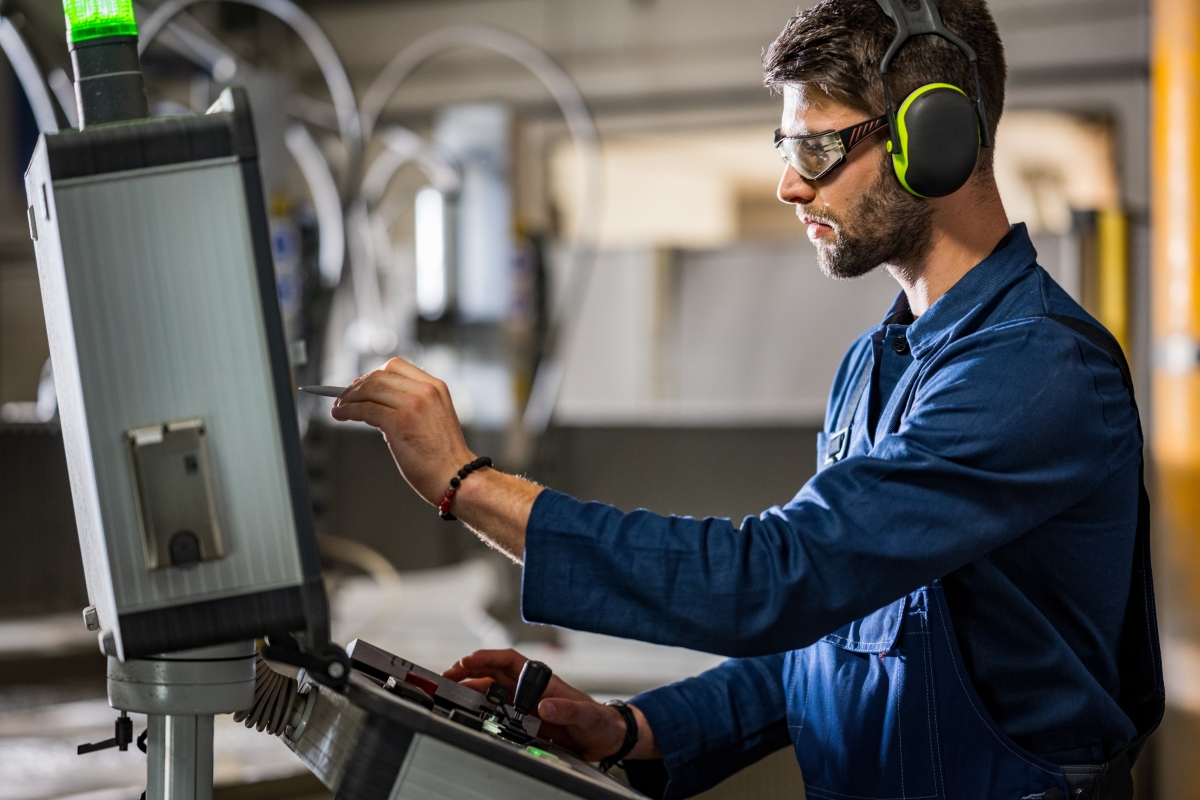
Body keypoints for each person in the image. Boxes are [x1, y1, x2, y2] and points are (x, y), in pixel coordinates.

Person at [329, 0, 1163, 797]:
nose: (789, 187)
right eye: (785, 148)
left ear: (933, 139)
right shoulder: (873, 367)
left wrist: (465, 482)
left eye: (817, 150)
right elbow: (830, 638)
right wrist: (630, 728)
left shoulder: (1040, 368)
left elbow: (773, 582)